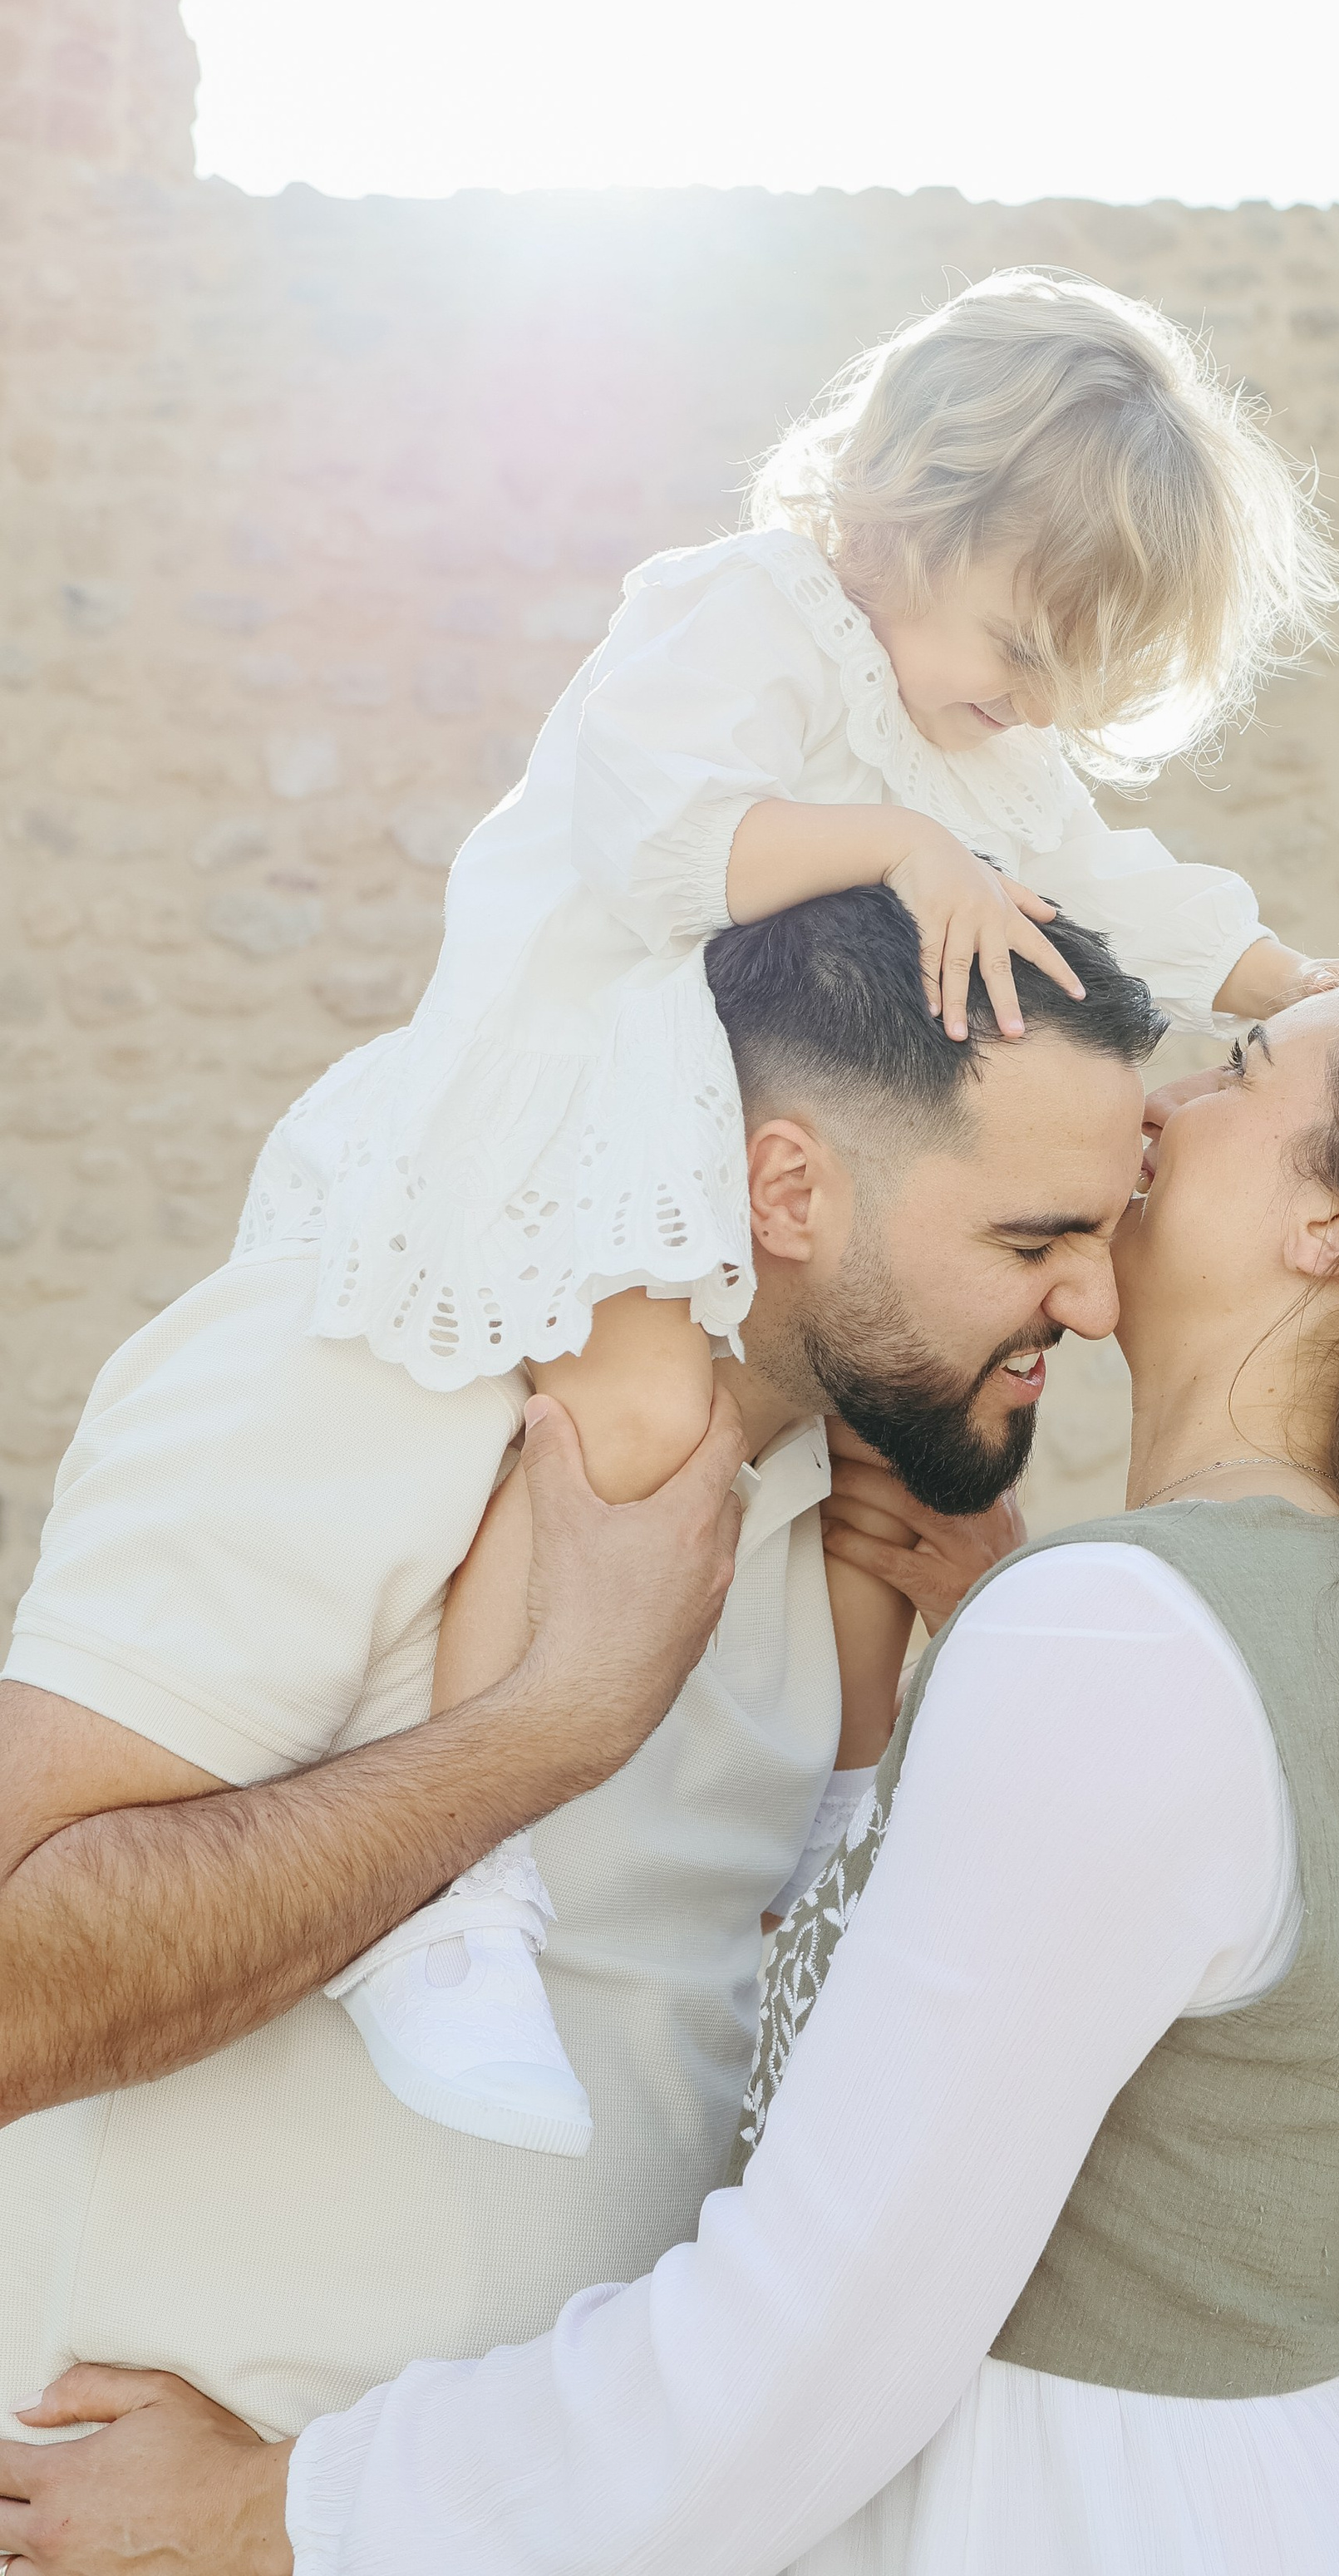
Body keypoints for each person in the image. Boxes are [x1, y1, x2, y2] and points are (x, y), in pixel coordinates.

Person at [3, 968, 1339, 2575]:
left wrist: (284, 2511)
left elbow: (811, 2343)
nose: (1158, 1110)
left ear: (1337, 1224)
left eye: (1239, 1071)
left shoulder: (1124, 1644)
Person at [222, 264, 1339, 2145]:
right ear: (894, 514)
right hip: (595, 1074)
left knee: (905, 1470)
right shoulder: (744, 620)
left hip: (771, 1128)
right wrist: (897, 845)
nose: (1022, 706)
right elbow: (656, 836)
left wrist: (1296, 989)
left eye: (1059, 686)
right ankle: (449, 1891)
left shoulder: (985, 738)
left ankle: (836, 1817)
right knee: (632, 1417)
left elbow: (1127, 892)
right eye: (1015, 643)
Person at [0, 892, 1160, 2443]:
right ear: (787, 1189)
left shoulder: (858, 1509)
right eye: (1036, 1240)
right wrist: (547, 1729)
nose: (1096, 1302)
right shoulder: (361, 1355)